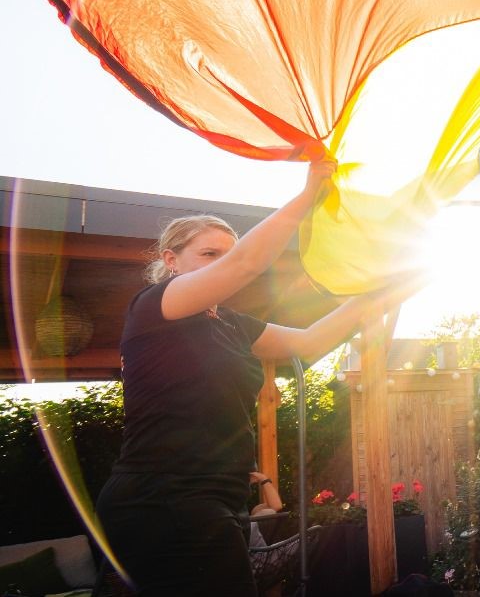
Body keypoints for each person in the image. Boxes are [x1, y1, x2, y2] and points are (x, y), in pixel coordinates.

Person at [95, 160, 417, 596]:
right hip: (161, 499)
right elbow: (247, 262)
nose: (222, 264)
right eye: (209, 255)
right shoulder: (155, 307)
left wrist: (386, 291)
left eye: (226, 253)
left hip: (215, 500)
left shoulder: (231, 324)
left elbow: (309, 341)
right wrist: (308, 196)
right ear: (171, 260)